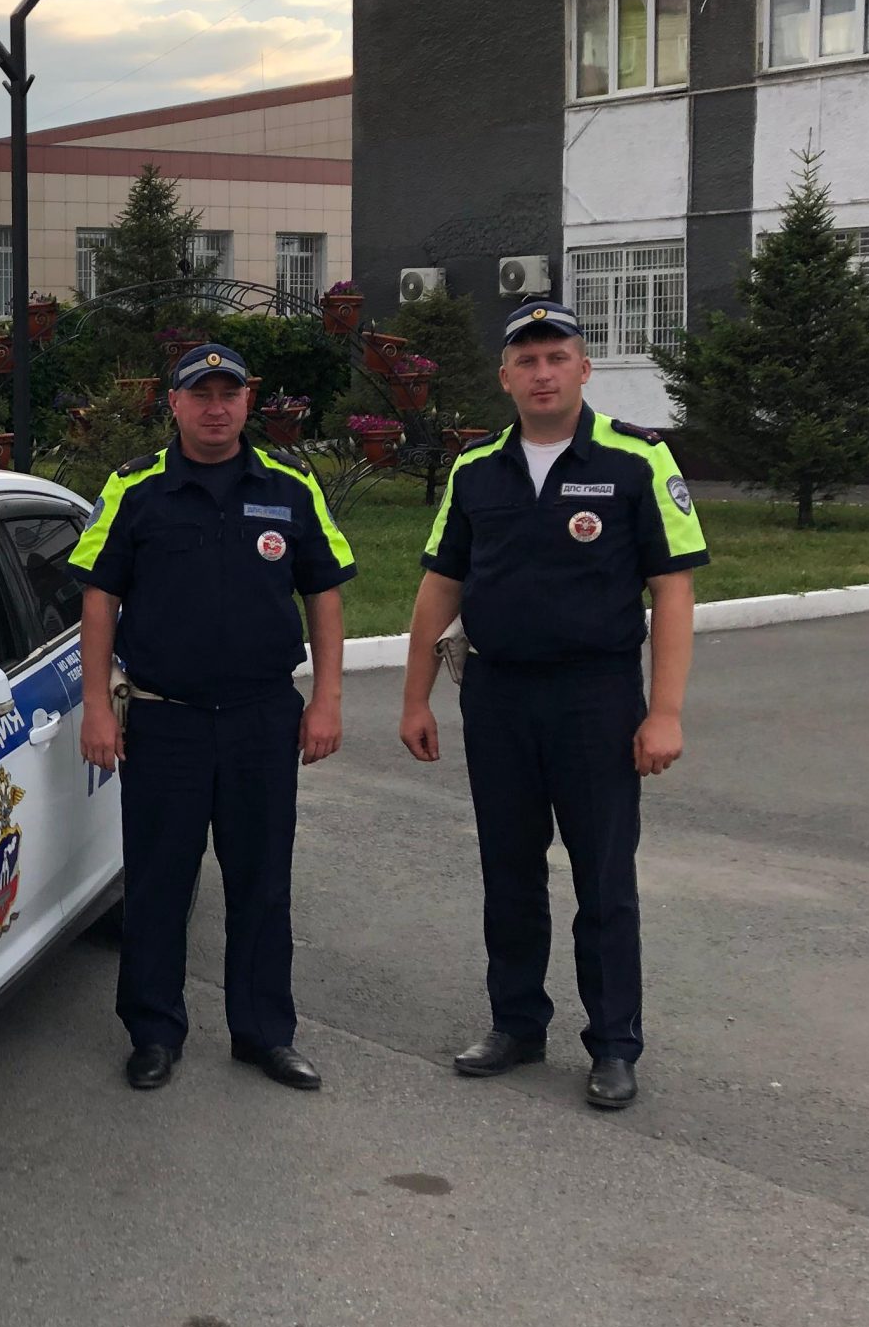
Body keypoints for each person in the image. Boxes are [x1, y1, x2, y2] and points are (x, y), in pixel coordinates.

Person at [397, 300, 707, 1110]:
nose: (543, 374)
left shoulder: (638, 459)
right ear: (505, 377)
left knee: (603, 877)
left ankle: (614, 1045)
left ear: (583, 368)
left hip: (595, 698)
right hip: (497, 694)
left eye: (557, 357)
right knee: (508, 868)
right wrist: (415, 697)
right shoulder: (475, 470)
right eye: (527, 361)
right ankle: (516, 1023)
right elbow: (440, 584)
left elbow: (673, 590)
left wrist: (665, 712)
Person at [72, 342, 355, 1093]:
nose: (216, 407)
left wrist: (327, 699)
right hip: (164, 721)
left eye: (229, 394)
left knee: (262, 880)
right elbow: (98, 597)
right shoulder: (134, 487)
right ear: (174, 403)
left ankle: (263, 1034)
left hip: (263, 719)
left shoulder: (291, 485)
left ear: (248, 401)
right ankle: (153, 1032)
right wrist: (96, 705)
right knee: (158, 881)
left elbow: (324, 592)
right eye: (201, 394)